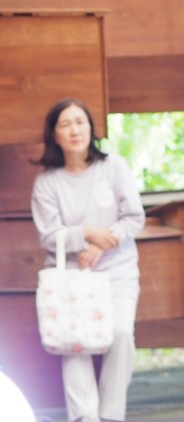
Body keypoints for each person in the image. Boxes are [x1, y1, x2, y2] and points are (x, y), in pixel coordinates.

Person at [30, 99, 145, 422]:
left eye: (80, 122)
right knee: (74, 340)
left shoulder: (114, 167)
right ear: (54, 135)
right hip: (71, 275)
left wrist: (100, 246)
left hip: (117, 270)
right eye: (65, 124)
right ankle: (84, 417)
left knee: (121, 333)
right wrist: (87, 233)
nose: (74, 130)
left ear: (91, 128)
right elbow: (49, 236)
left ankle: (111, 415)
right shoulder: (46, 183)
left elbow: (134, 218)